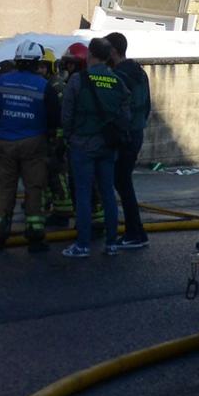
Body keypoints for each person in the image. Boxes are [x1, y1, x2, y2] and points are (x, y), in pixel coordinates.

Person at [0, 41, 57, 252]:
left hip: (6, 142)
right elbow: (56, 117)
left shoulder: (2, 80)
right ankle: (35, 235)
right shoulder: (44, 86)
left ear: (17, 61)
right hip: (34, 143)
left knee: (4, 187)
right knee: (34, 188)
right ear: (37, 62)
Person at [59, 38, 124, 258]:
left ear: (90, 55)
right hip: (107, 145)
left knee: (84, 194)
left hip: (82, 144)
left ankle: (83, 245)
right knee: (108, 193)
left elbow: (66, 113)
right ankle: (112, 243)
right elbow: (126, 113)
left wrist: (68, 135)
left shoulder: (78, 80)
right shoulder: (116, 81)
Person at [105, 31, 151, 250]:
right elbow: (147, 105)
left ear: (113, 50)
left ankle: (134, 233)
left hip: (126, 136)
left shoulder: (119, 76)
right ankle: (137, 232)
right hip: (137, 133)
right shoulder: (140, 73)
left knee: (122, 182)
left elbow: (115, 108)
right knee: (123, 182)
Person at [45, 43, 83, 225]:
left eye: (70, 64)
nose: (66, 68)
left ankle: (63, 211)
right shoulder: (66, 84)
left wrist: (60, 139)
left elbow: (63, 116)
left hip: (69, 140)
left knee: (60, 173)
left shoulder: (58, 86)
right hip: (70, 139)